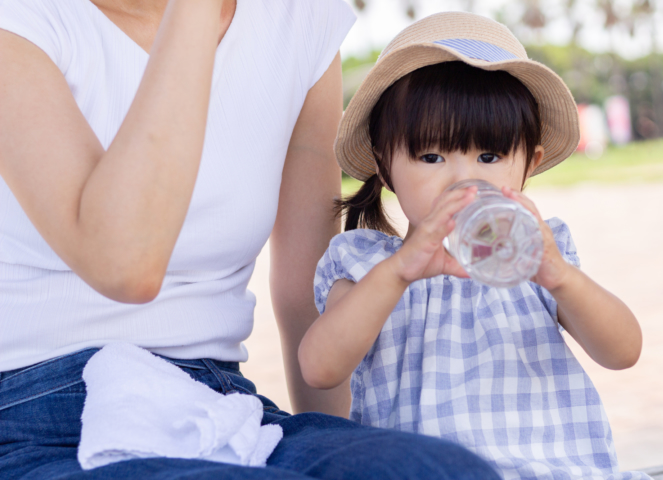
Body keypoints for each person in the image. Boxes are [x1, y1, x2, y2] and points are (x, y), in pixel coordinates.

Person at [0, 0, 500, 478]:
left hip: (217, 396)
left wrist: (339, 449)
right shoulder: (19, 19)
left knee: (446, 471)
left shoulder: (300, 21)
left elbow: (307, 293)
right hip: (33, 410)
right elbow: (125, 265)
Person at [300, 12, 652, 480]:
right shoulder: (369, 265)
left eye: (489, 156)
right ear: (385, 169)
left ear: (529, 164)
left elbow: (623, 351)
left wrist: (561, 278)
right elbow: (319, 368)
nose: (464, 178)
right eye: (431, 156)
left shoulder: (540, 257)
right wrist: (400, 271)